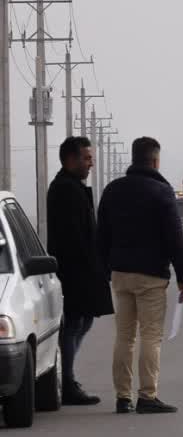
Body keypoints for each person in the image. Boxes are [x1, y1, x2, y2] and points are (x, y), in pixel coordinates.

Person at [97, 136, 183, 414]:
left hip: (121, 274)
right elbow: (175, 239)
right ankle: (147, 396)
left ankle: (123, 397)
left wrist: (105, 269)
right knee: (151, 336)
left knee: (124, 337)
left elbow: (101, 235)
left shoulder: (113, 190)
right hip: (151, 276)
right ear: (154, 160)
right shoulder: (161, 192)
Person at [46, 135, 114, 405]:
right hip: (75, 271)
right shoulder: (64, 189)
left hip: (84, 269)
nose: (91, 164)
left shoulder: (72, 187)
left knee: (83, 321)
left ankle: (67, 378)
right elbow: (75, 237)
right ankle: (67, 381)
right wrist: (93, 264)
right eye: (86, 158)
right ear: (70, 159)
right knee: (74, 324)